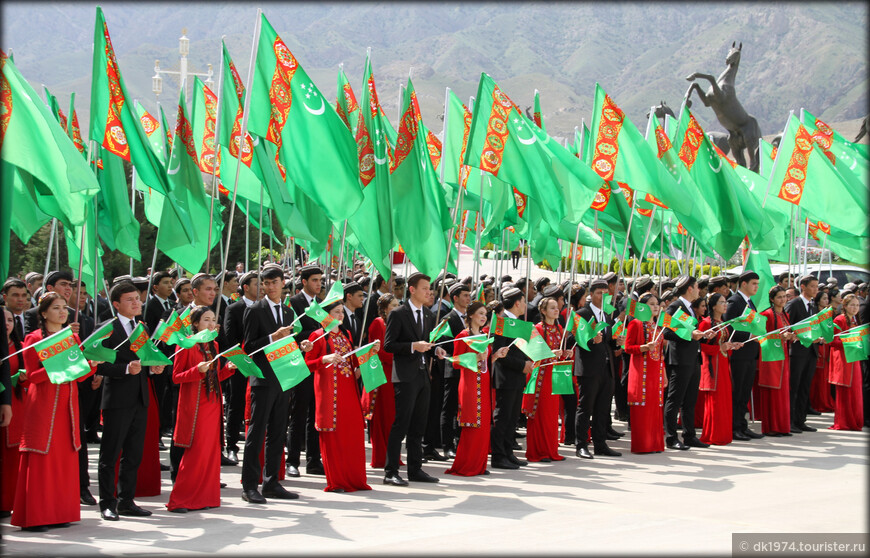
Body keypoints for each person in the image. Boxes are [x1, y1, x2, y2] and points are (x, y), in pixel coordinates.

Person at [12, 292, 98, 531]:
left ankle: (60, 512)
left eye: (64, 308)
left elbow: (78, 374)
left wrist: (92, 365)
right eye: (56, 308)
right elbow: (32, 376)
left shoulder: (71, 337)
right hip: (43, 404)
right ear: (43, 313)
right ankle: (35, 517)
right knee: (42, 458)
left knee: (63, 459)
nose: (63, 312)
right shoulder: (34, 339)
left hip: (67, 406)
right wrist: (57, 363)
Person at [241, 264, 312, 503]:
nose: (270, 287)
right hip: (263, 378)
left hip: (284, 377)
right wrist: (273, 337)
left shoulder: (288, 312)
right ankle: (249, 484)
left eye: (274, 282)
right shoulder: (255, 310)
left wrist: (301, 346)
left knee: (278, 432)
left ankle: (271, 482)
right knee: (257, 431)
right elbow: (249, 347)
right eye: (266, 283)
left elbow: (289, 343)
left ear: (283, 284)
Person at [96, 282, 167, 521]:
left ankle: (127, 500)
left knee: (133, 453)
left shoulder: (142, 328)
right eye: (130, 299)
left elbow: (144, 360)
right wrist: (125, 369)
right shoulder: (107, 329)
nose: (136, 302)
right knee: (110, 453)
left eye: (137, 298)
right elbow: (98, 363)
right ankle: (108, 502)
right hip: (117, 398)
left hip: (140, 396)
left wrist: (152, 368)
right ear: (116, 304)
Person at [167, 306, 236, 513]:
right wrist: (196, 371)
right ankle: (180, 500)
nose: (211, 323)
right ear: (195, 323)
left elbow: (214, 378)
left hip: (212, 404)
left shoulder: (213, 345)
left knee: (209, 453)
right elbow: (176, 376)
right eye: (206, 319)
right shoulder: (186, 345)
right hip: (194, 405)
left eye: (213, 320)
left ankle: (205, 497)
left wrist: (228, 370)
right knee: (194, 453)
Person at [383, 272, 448, 486]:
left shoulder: (429, 315)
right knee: (401, 424)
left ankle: (415, 469)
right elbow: (389, 345)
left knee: (419, 425)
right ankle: (391, 471)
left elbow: (427, 344)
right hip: (404, 376)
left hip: (422, 375)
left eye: (429, 288)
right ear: (412, 290)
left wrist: (435, 351)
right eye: (424, 288)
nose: (429, 292)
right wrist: (413, 347)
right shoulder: (398, 314)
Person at [305, 301, 373, 493]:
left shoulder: (346, 334)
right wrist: (323, 359)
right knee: (333, 435)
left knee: (351, 433)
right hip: (330, 391)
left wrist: (367, 355)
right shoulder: (318, 336)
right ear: (325, 315)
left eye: (342, 311)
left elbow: (352, 364)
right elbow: (308, 364)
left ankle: (355, 479)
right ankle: (337, 481)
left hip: (349, 389)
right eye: (336, 312)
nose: (340, 315)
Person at [446, 301, 509, 476]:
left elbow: (485, 363)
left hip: (484, 382)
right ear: (471, 315)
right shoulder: (463, 335)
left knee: (482, 426)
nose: (483, 317)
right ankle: (467, 465)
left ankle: (479, 464)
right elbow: (456, 362)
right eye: (480, 313)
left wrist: (495, 355)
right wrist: (475, 358)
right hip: (470, 384)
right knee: (472, 424)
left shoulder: (483, 335)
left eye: (485, 314)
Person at [574, 279, 623, 459]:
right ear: (591, 295)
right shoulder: (582, 314)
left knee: (603, 408)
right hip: (588, 368)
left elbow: (607, 341)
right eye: (599, 293)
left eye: (605, 294)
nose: (603, 297)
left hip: (606, 367)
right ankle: (581, 444)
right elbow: (573, 340)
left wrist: (616, 342)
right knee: (585, 407)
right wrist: (590, 340)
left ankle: (600, 443)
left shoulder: (606, 316)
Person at [663, 276, 711, 450]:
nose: (699, 290)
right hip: (680, 359)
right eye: (697, 287)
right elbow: (666, 331)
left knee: (690, 400)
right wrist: (690, 335)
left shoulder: (690, 308)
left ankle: (689, 435)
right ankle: (671, 437)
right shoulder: (675, 307)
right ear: (690, 288)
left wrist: (702, 335)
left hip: (693, 357)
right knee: (675, 399)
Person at [286, 265, 325, 478]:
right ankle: (292, 460)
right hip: (300, 365)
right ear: (304, 282)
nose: (318, 284)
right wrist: (316, 334)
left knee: (315, 415)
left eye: (320, 280)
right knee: (298, 413)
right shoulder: (293, 303)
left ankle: (313, 460)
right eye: (314, 280)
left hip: (319, 364)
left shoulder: (322, 304)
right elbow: (290, 334)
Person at [490, 287, 533, 469]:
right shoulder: (501, 322)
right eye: (523, 301)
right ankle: (499, 456)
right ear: (517, 303)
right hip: (505, 376)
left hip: (517, 377)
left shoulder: (517, 322)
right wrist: (522, 365)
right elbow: (498, 353)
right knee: (503, 417)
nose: (525, 305)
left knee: (512, 417)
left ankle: (508, 452)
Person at [524, 297, 570, 462]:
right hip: (541, 377)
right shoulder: (537, 329)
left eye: (556, 307)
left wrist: (564, 354)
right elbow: (533, 355)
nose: (556, 310)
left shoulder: (559, 328)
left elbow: (557, 352)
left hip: (554, 376)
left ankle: (551, 449)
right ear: (543, 311)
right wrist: (552, 354)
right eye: (552, 308)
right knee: (541, 414)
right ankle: (538, 451)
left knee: (551, 416)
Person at [624, 293, 666, 453]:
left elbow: (661, 354)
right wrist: (644, 347)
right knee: (642, 408)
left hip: (657, 372)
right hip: (641, 371)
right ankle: (643, 445)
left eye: (657, 304)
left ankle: (655, 444)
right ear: (642, 306)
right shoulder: (635, 324)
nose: (656, 306)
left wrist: (665, 374)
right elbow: (628, 348)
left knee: (655, 407)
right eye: (652, 303)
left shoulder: (657, 326)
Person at [724, 270, 763, 441]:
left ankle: (742, 425)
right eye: (754, 283)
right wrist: (749, 336)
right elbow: (729, 328)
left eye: (757, 284)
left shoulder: (750, 302)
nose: (756, 287)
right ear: (744, 284)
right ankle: (734, 427)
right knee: (737, 392)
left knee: (745, 392)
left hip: (749, 353)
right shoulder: (734, 302)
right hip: (738, 354)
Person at [362, 294, 399, 468]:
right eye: (393, 305)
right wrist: (401, 355)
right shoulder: (378, 323)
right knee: (382, 415)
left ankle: (392, 455)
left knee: (392, 416)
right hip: (382, 375)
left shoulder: (395, 322)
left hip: (394, 374)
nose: (397, 307)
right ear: (384, 308)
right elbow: (376, 350)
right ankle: (380, 456)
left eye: (398, 304)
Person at [698, 293, 738, 445]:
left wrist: (731, 346)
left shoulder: (723, 322)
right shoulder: (706, 323)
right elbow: (700, 345)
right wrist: (720, 348)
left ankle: (723, 434)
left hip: (723, 363)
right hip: (712, 365)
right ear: (713, 305)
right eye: (722, 302)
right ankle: (713, 435)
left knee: (725, 399)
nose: (725, 304)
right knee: (715, 401)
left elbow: (724, 344)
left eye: (725, 302)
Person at [757, 286, 796, 436]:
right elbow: (760, 336)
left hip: (783, 355)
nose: (782, 300)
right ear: (772, 299)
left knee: (783, 390)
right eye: (779, 297)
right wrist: (780, 337)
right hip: (771, 357)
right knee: (773, 390)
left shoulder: (784, 314)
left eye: (784, 296)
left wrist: (791, 337)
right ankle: (772, 427)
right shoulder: (767, 314)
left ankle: (782, 426)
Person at [785, 275, 821, 432]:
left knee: (805, 386)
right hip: (797, 352)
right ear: (803, 287)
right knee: (794, 386)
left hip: (811, 352)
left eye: (817, 286)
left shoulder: (813, 306)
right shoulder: (794, 304)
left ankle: (800, 420)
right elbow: (787, 327)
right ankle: (790, 420)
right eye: (812, 286)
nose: (815, 289)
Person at [439, 283, 471, 459]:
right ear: (455, 298)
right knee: (449, 407)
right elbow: (444, 344)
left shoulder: (469, 317)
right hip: (453, 367)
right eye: (465, 295)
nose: (468, 298)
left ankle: (460, 441)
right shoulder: (448, 318)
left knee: (463, 407)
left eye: (469, 295)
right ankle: (447, 445)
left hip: (468, 368)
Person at [2, 308, 26, 517]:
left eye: (10, 320)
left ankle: (8, 501)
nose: (7, 324)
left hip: (16, 405)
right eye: (3, 321)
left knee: (12, 457)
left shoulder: (21, 347)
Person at [828, 294, 864, 431]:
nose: (855, 308)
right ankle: (844, 421)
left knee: (855, 391)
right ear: (845, 306)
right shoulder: (839, 319)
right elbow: (832, 340)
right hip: (842, 360)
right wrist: (851, 342)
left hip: (854, 360)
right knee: (845, 391)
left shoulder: (855, 319)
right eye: (852, 305)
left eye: (857, 305)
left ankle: (854, 420)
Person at [809, 290, 835, 414]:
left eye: (827, 299)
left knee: (824, 377)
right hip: (817, 346)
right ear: (818, 300)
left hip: (826, 346)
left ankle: (824, 401)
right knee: (816, 377)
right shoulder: (814, 313)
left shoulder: (828, 314)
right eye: (824, 298)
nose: (826, 301)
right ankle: (816, 402)